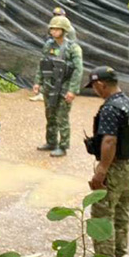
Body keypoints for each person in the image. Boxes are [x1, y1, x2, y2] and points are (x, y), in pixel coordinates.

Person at [84, 66, 129, 257]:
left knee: (102, 217)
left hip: (113, 168)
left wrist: (100, 172)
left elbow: (110, 141)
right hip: (128, 167)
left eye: (94, 86)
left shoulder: (110, 108)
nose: (95, 90)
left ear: (101, 84)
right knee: (121, 215)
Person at [32, 15, 83, 157]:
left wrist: (73, 90)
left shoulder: (73, 48)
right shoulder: (49, 45)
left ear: (64, 30)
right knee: (50, 115)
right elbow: (42, 64)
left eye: (56, 29)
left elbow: (78, 71)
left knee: (62, 117)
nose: (53, 31)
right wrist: (38, 82)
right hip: (49, 85)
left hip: (65, 86)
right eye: (52, 29)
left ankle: (63, 145)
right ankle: (51, 142)